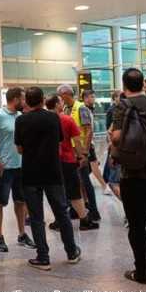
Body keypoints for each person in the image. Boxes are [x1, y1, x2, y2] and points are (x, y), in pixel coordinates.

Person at [110, 68, 146, 284]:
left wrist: (112, 138)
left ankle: (143, 272)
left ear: (124, 84)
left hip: (134, 174)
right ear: (143, 83)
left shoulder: (123, 105)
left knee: (137, 226)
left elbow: (117, 138)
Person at [15, 87, 81, 270]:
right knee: (62, 213)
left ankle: (43, 257)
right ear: (43, 100)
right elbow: (60, 140)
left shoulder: (21, 120)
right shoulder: (53, 118)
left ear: (26, 101)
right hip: (53, 172)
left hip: (30, 174)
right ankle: (72, 252)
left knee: (36, 217)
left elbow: (19, 149)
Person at [45, 94, 99, 231]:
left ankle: (59, 220)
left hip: (51, 161)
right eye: (60, 101)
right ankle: (84, 220)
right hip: (68, 160)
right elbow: (76, 141)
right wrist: (82, 156)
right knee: (74, 192)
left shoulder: (44, 119)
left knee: (57, 192)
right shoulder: (67, 120)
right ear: (57, 104)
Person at [0, 87, 35, 253]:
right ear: (15, 99)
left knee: (20, 201)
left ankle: (22, 233)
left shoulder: (20, 117)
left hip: (20, 166)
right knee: (0, 202)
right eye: (23, 99)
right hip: (4, 167)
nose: (25, 102)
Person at [57, 85, 101, 222]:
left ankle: (94, 211)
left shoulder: (81, 108)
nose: (59, 98)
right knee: (76, 183)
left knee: (85, 182)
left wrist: (85, 153)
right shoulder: (65, 109)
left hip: (81, 151)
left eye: (60, 95)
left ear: (65, 94)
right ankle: (77, 210)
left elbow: (89, 130)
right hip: (71, 152)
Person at [82, 90, 109, 193]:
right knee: (94, 164)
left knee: (91, 164)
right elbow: (88, 129)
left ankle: (84, 183)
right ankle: (104, 186)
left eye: (94, 97)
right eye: (91, 97)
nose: (94, 99)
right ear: (85, 98)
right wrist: (88, 144)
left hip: (88, 142)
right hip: (87, 142)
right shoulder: (84, 110)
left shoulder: (89, 109)